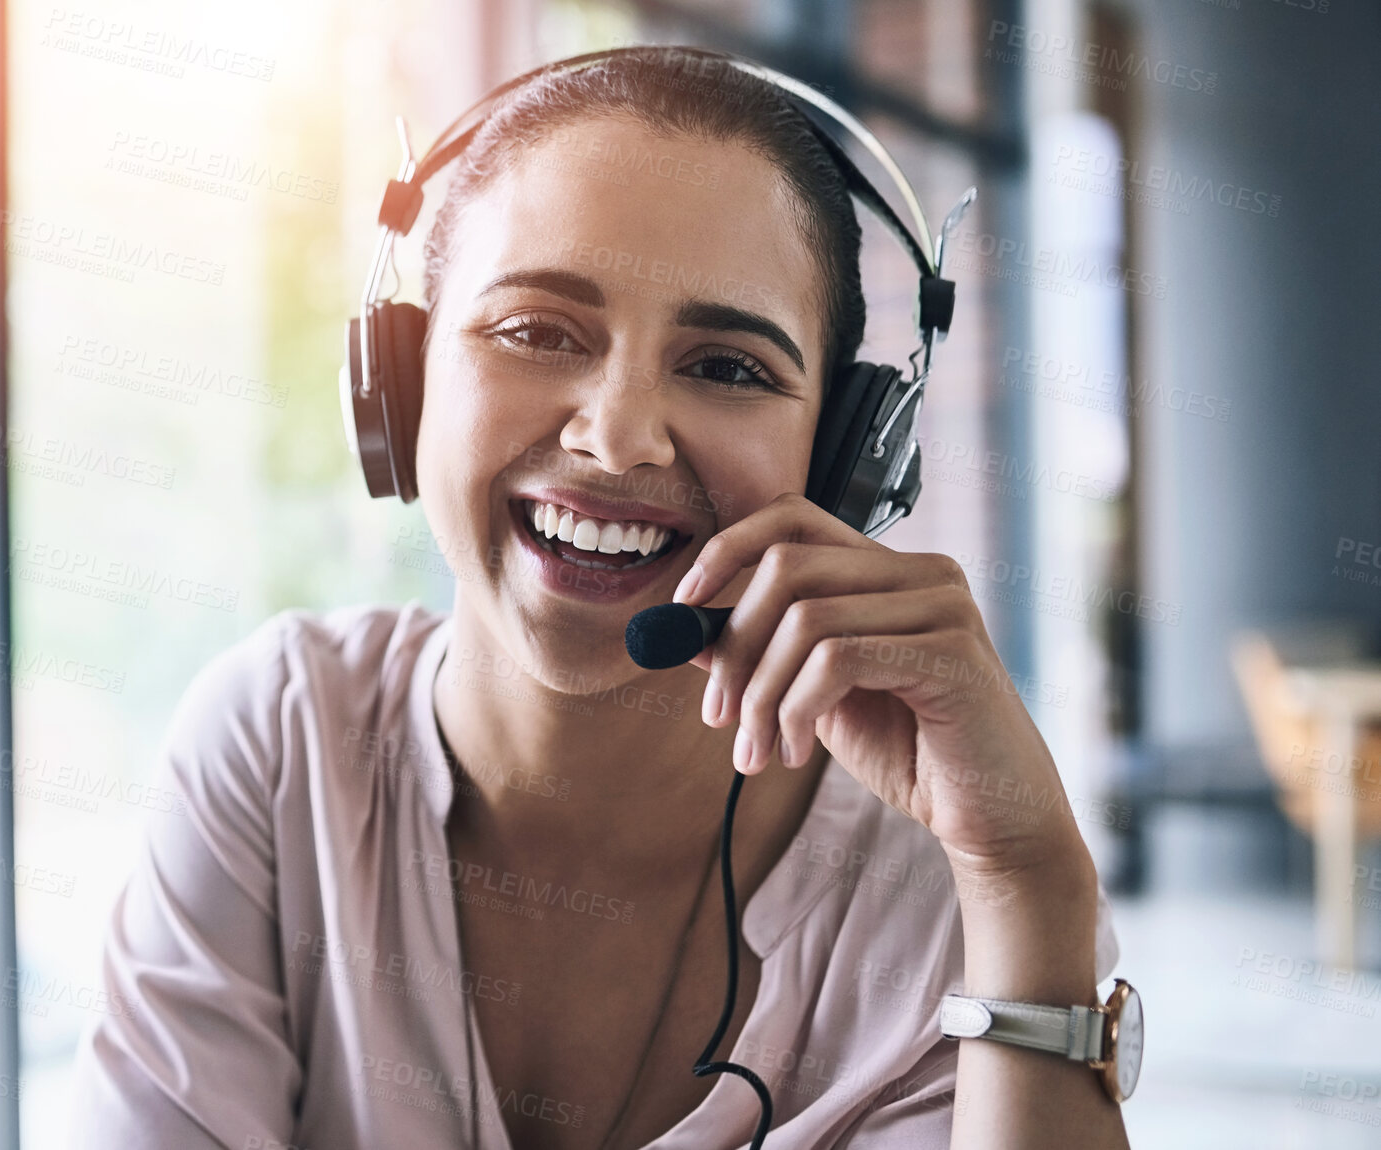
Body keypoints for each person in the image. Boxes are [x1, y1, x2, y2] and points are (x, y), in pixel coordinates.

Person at [69, 47, 1127, 1150]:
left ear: (845, 461)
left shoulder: (953, 884)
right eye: (536, 330)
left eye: (726, 367)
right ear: (404, 375)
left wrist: (1028, 880)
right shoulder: (283, 741)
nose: (616, 437)